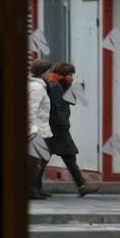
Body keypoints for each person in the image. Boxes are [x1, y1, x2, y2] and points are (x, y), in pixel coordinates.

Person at [47, 62, 101, 196]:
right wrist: (63, 126)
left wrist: (72, 88)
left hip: (57, 128)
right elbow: (58, 109)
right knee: (64, 156)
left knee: (62, 156)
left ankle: (82, 186)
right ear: (63, 75)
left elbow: (71, 101)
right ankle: (82, 185)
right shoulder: (55, 87)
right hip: (57, 129)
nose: (72, 78)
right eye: (70, 75)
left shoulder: (59, 85)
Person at [28, 59, 53, 200]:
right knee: (36, 162)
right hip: (37, 130)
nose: (50, 74)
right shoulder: (37, 88)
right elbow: (31, 110)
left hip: (41, 128)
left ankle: (36, 188)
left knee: (41, 160)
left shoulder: (39, 86)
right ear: (43, 72)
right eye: (49, 71)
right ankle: (31, 190)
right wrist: (33, 131)